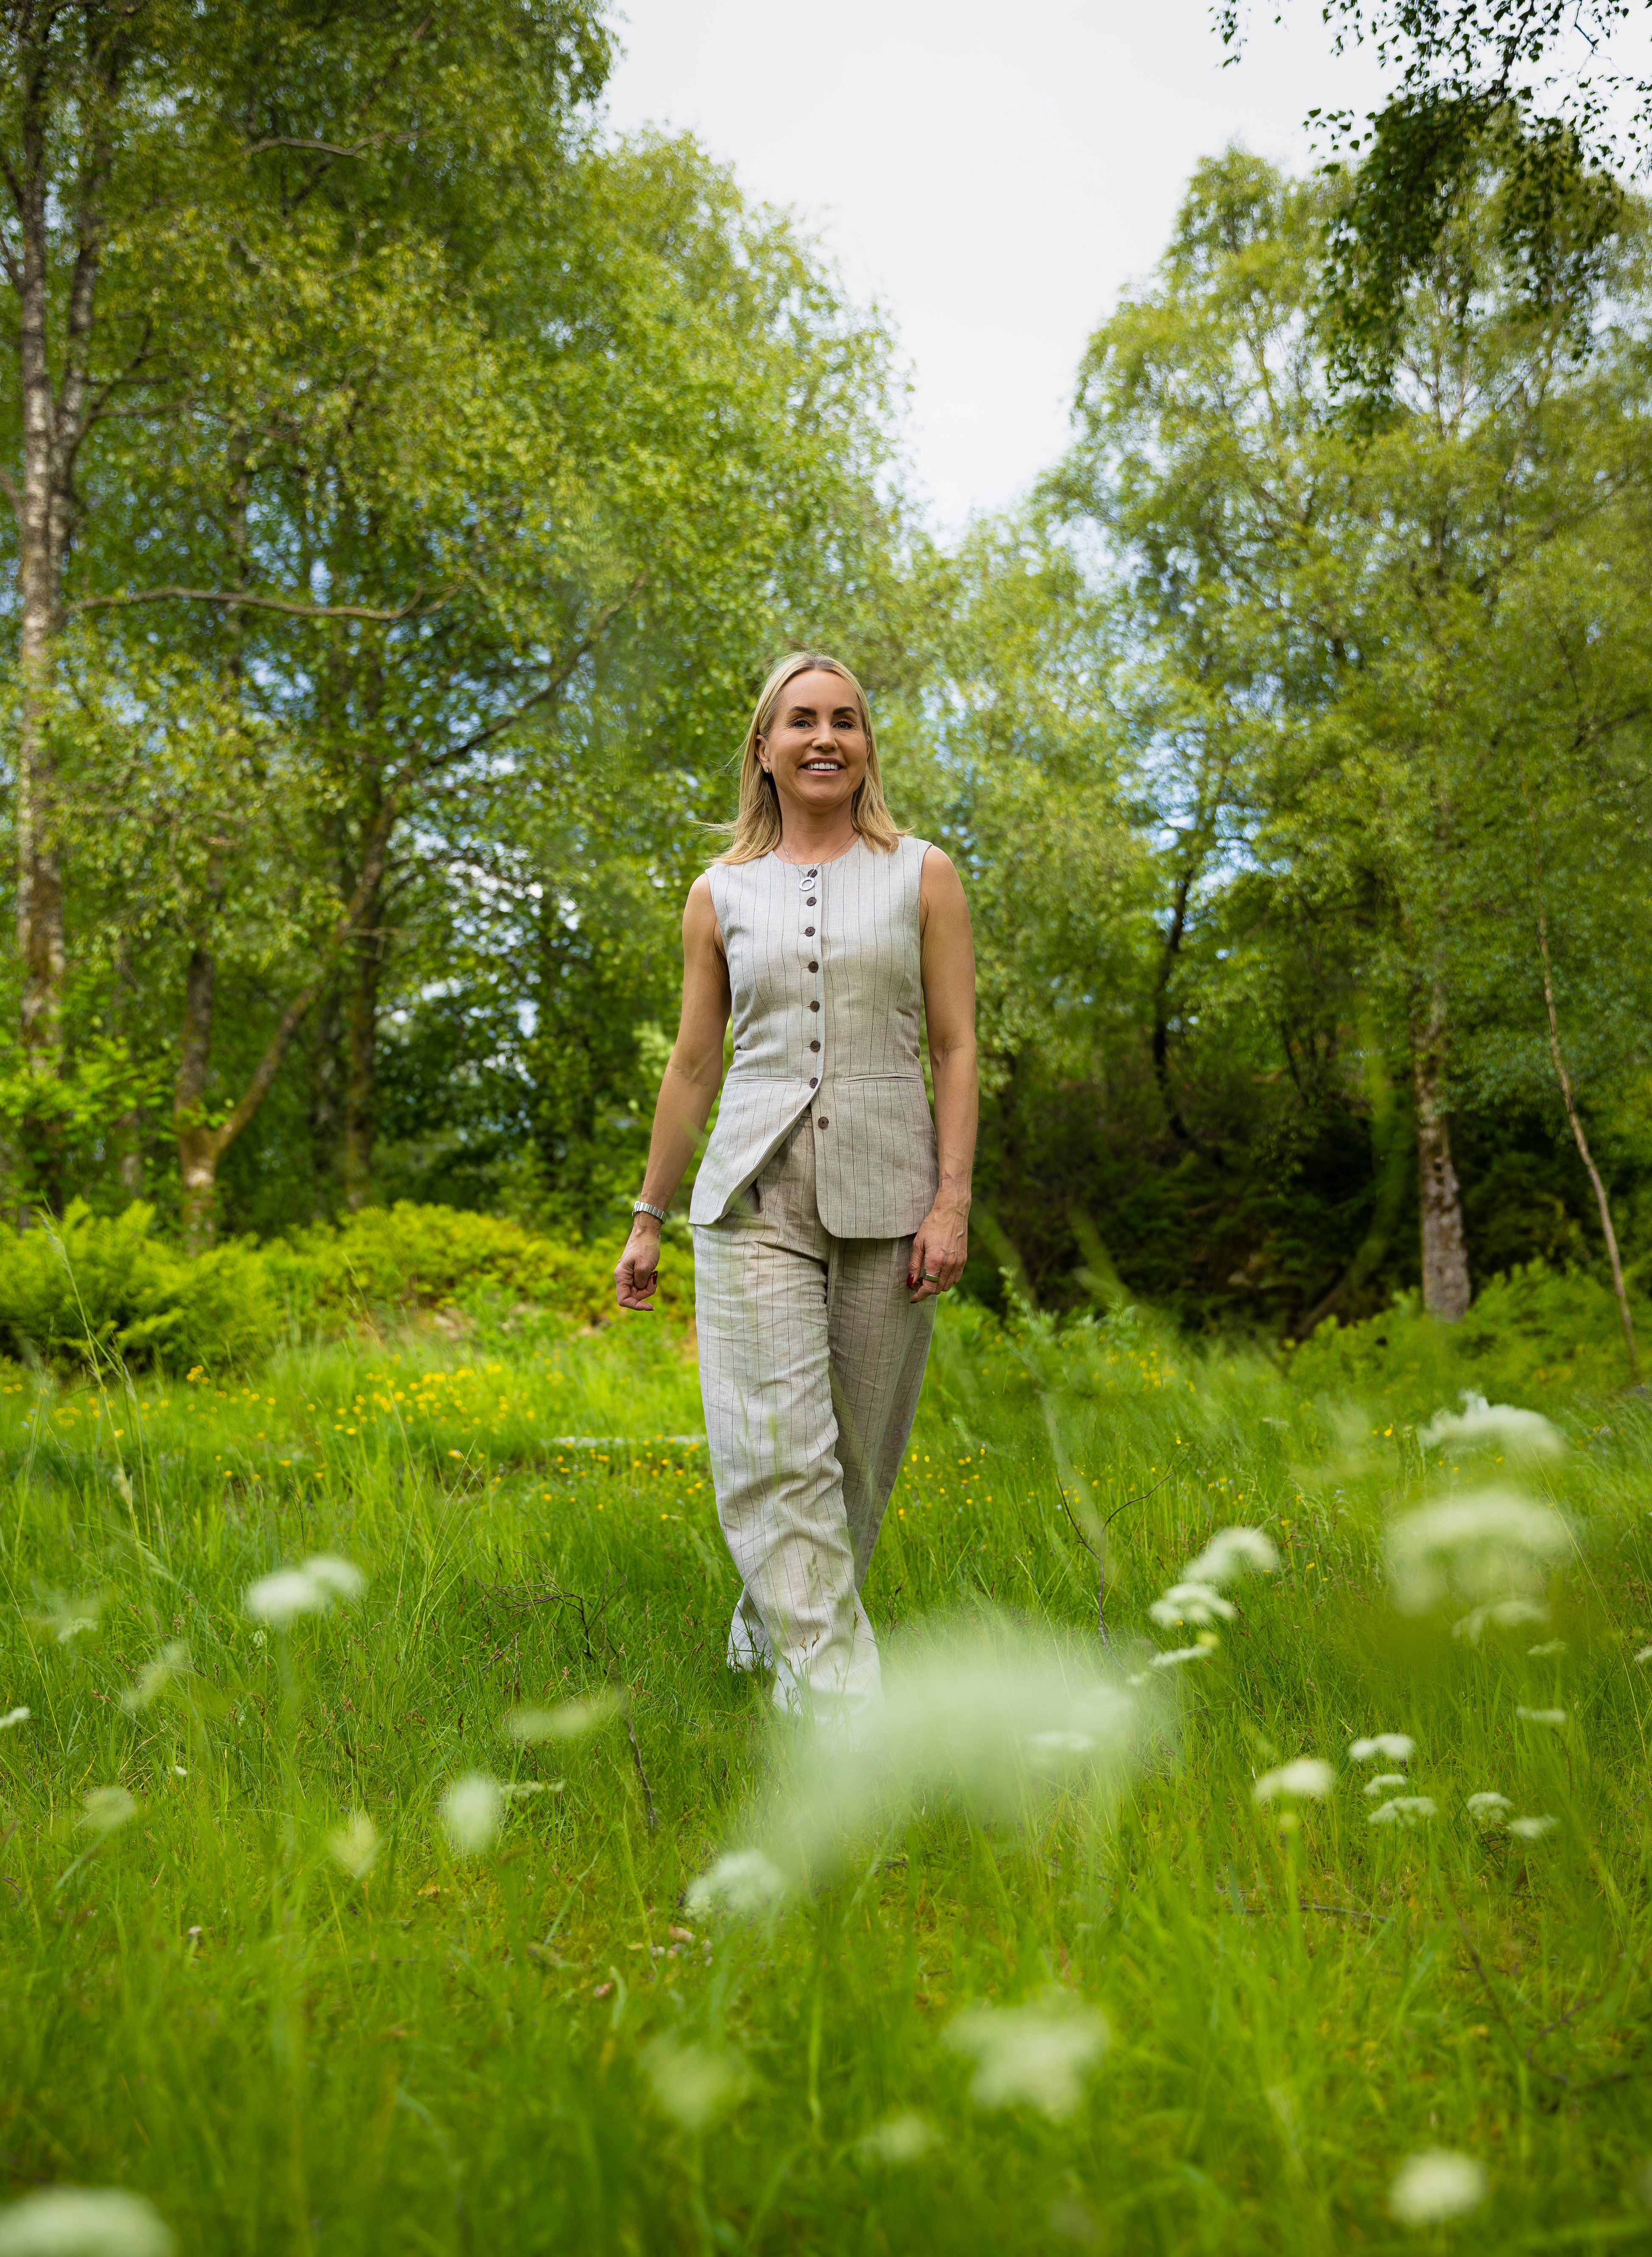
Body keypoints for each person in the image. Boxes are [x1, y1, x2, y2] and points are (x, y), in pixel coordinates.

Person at [614, 651, 978, 1729]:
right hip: (752, 1196)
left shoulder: (925, 873)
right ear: (764, 751)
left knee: (857, 1463)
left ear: (866, 747)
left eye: (847, 722)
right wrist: (647, 1216)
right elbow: (692, 1066)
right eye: (802, 722)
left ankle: (765, 1626)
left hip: (892, 1192)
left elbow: (957, 1047)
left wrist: (951, 1200)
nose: (827, 738)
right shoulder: (718, 891)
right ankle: (840, 1712)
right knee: (778, 1449)